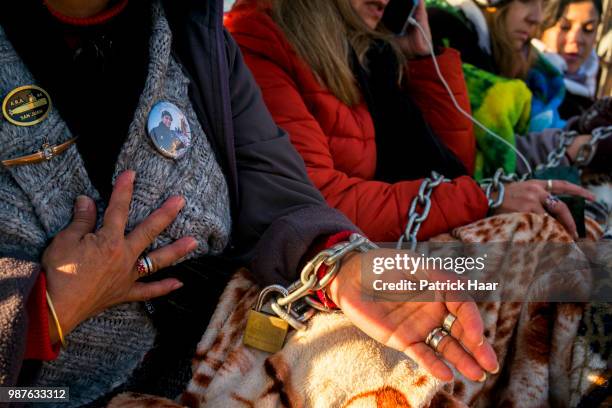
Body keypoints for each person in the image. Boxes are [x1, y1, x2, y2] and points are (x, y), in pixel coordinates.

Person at [0, 0, 498, 404]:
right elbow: (345, 188)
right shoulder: (258, 37)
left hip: (215, 346)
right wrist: (42, 312)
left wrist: (337, 258)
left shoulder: (196, 33)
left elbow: (274, 181)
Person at [225, 0, 593, 244]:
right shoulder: (261, 38)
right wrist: (485, 198)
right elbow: (318, 202)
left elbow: (452, 164)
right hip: (318, 260)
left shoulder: (366, 49)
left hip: (377, 239)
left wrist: (424, 58)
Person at [537, 0, 603, 117]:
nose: (577, 39)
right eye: (565, 26)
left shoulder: (593, 83)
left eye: (588, 29)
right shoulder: (523, 80)